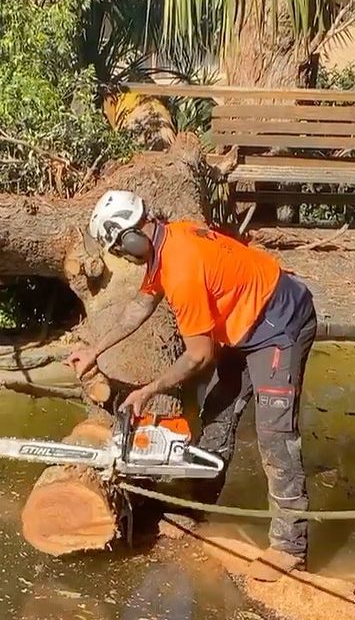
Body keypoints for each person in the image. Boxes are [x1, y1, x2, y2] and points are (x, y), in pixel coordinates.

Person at [67, 190, 317, 582]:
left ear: (131, 236)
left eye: (121, 248)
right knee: (217, 412)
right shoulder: (166, 241)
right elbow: (140, 306)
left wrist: (147, 390)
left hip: (280, 321)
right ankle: (196, 507)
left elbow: (198, 355)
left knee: (275, 434)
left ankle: (290, 547)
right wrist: (94, 350)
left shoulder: (182, 267)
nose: (126, 257)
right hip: (243, 323)